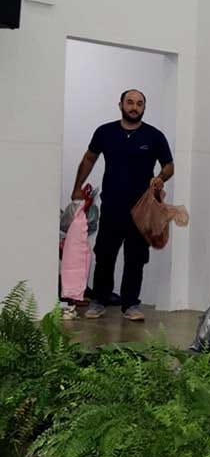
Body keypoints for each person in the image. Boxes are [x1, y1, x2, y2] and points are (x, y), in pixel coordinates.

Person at [70, 89, 174, 321]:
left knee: (136, 257)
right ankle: (99, 301)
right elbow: (89, 158)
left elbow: (169, 165)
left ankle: (130, 304)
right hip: (112, 207)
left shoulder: (154, 136)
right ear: (120, 105)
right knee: (105, 255)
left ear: (144, 108)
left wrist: (160, 178)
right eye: (130, 102)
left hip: (141, 210)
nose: (134, 107)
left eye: (139, 104)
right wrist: (77, 186)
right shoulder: (105, 132)